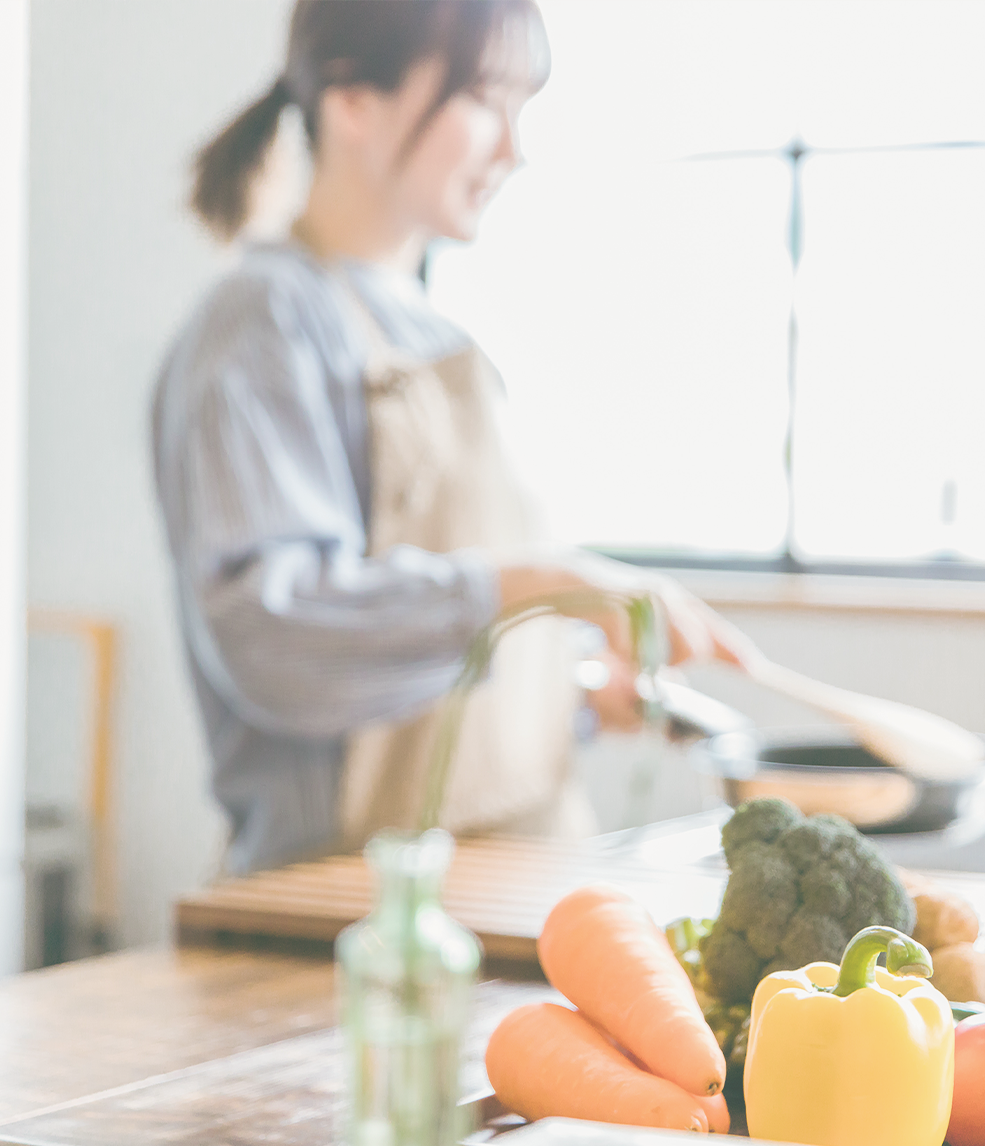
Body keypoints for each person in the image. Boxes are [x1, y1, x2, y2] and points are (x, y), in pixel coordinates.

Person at [153, 0, 753, 875]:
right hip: (354, 916)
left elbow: (440, 670)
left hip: (513, 883)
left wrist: (580, 697)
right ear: (354, 101)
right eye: (482, 101)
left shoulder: (429, 331)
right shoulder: (264, 322)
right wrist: (546, 583)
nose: (513, 150)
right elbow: (272, 636)